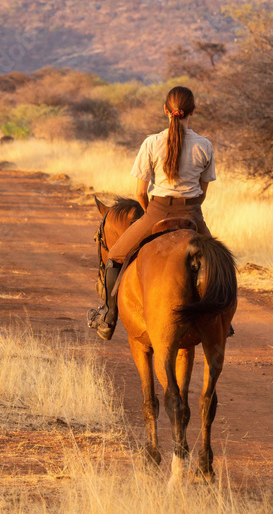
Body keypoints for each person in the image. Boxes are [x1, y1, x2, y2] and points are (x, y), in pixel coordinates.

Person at [87, 86, 216, 340]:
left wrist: (151, 215)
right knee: (219, 264)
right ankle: (222, 321)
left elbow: (140, 194)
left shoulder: (151, 143)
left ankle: (108, 317)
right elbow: (202, 193)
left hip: (156, 210)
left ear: (166, 110)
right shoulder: (204, 146)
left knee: (115, 256)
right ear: (192, 111)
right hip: (193, 214)